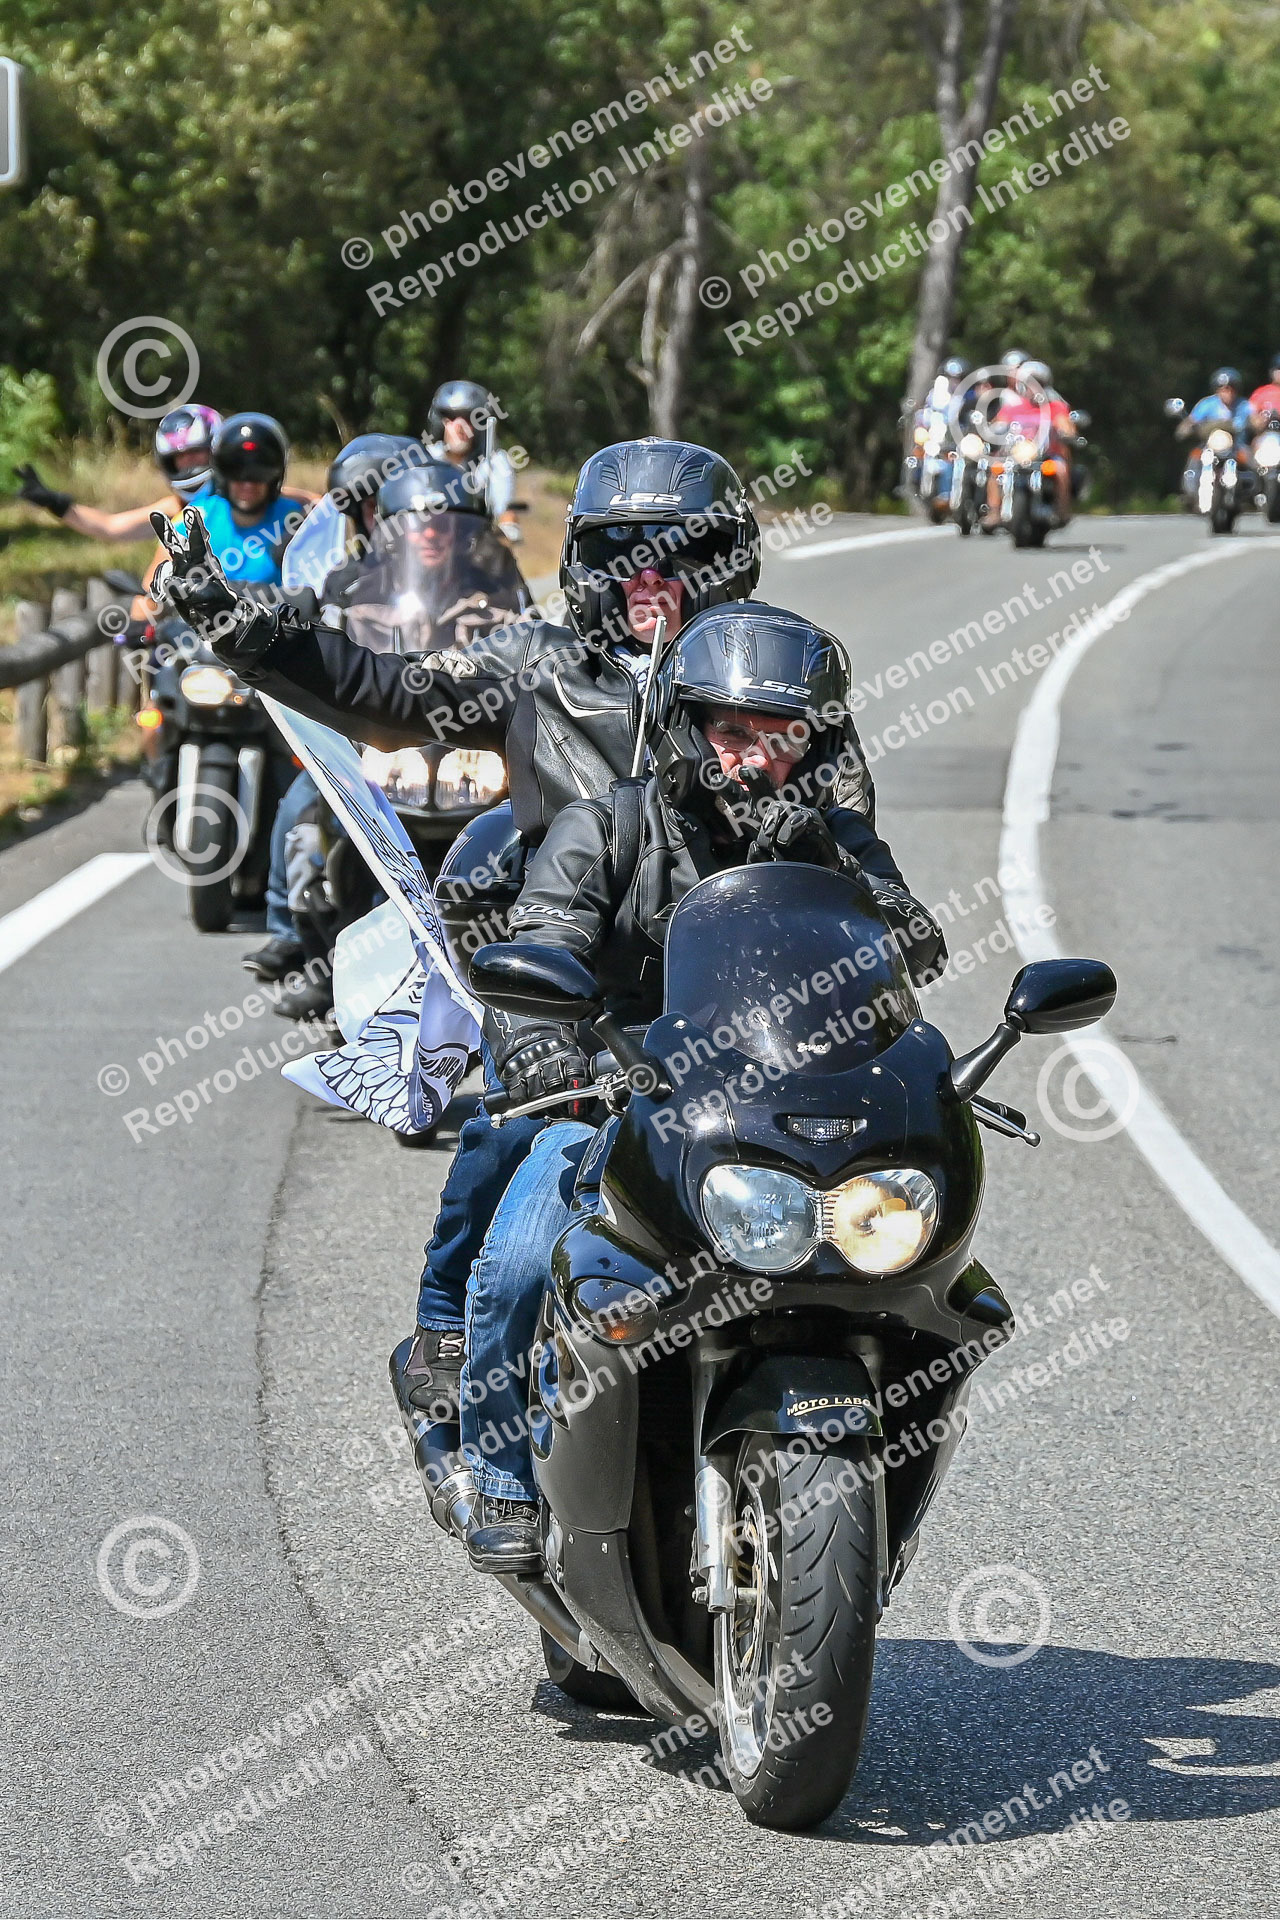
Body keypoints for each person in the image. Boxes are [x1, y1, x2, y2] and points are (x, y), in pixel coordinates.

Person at [151, 436, 874, 1506]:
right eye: (623, 555)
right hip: (568, 985)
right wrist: (234, 619)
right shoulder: (531, 666)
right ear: (584, 564)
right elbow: (374, 682)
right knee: (518, 1165)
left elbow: (856, 865)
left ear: (729, 561)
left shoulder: (778, 681)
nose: (650, 580)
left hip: (743, 1004)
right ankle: (448, 1338)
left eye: (680, 555)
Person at [457, 604, 947, 1572]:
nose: (754, 759)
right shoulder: (605, 827)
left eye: (781, 737)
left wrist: (833, 860)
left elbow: (916, 945)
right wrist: (549, 1055)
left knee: (912, 1266)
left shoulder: (833, 836)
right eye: (731, 731)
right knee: (518, 1258)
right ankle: (502, 1475)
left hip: (773, 1115)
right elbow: (539, 944)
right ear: (685, 729)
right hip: (622, 1100)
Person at [13, 405, 224, 539]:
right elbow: (110, 526)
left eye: (195, 452)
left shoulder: (238, 500)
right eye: (179, 456)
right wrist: (56, 503)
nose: (187, 462)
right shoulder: (178, 508)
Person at [424, 379, 521, 543]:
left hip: (472, 544)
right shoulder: (425, 457)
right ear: (440, 423)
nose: (460, 426)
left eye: (469, 419)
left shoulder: (493, 463)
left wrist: (507, 526)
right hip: (429, 538)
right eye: (452, 418)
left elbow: (505, 512)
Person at [1176, 367, 1251, 503]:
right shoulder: (1207, 404)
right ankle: (1190, 491)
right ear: (1217, 390)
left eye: (1231, 389)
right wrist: (1185, 428)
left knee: (1253, 460)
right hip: (1209, 445)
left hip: (1236, 445)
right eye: (1223, 389)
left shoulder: (1244, 405)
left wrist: (1257, 422)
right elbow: (1192, 420)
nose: (1227, 392)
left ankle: (1258, 493)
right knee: (1195, 457)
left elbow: (1254, 419)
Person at [1247, 355, 1280, 432]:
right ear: (1272, 372)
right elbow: (1251, 417)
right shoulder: (1261, 392)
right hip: (1265, 434)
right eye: (1279, 369)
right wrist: (1263, 420)